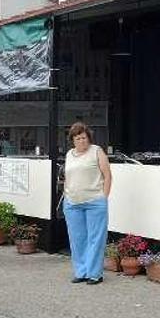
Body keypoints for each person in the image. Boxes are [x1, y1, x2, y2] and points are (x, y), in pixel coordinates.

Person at [62, 122, 112, 285]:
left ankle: (94, 273)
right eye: (78, 138)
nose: (81, 141)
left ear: (88, 138)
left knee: (95, 238)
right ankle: (81, 271)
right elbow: (67, 177)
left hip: (94, 202)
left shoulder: (97, 151)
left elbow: (107, 176)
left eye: (84, 137)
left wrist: (103, 197)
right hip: (72, 203)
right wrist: (66, 194)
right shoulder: (69, 154)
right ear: (73, 140)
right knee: (77, 239)